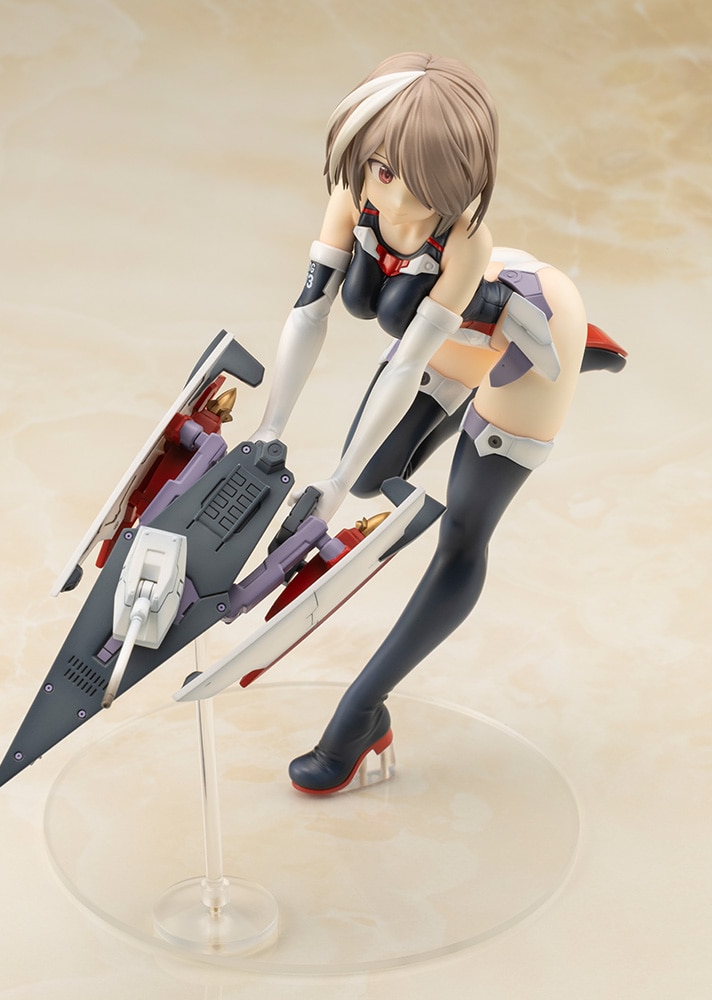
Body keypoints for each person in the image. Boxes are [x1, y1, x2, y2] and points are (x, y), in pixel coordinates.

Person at [250, 52, 625, 794]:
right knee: (371, 479)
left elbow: (403, 362)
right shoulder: (353, 194)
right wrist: (272, 431)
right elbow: (310, 313)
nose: (390, 196)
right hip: (458, 338)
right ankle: (488, 379)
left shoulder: (465, 240)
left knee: (459, 537)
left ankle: (360, 716)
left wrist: (328, 487)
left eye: (414, 180)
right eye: (380, 168)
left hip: (528, 337)